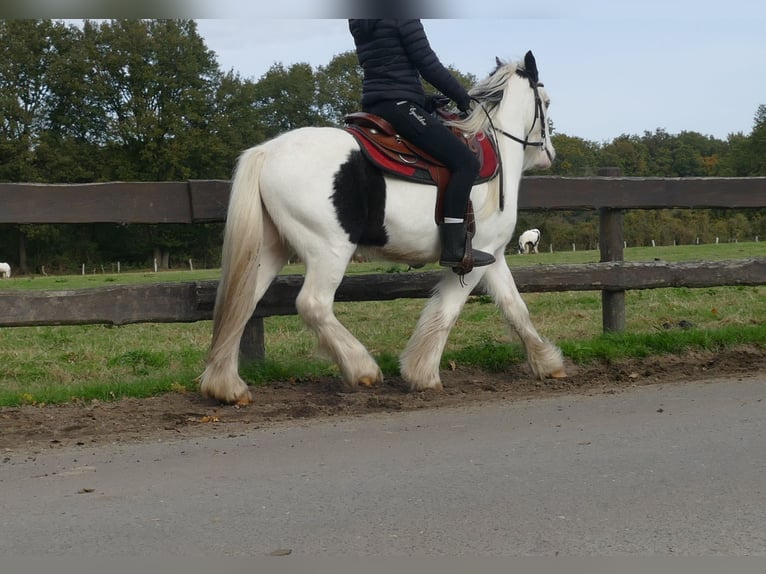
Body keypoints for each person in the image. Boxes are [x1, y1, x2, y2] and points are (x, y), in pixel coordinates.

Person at [348, 19, 495, 273]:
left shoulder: (361, 19)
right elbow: (427, 63)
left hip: (378, 104)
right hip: (400, 106)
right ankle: (454, 246)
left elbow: (387, 68)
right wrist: (463, 99)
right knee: (465, 162)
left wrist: (423, 100)